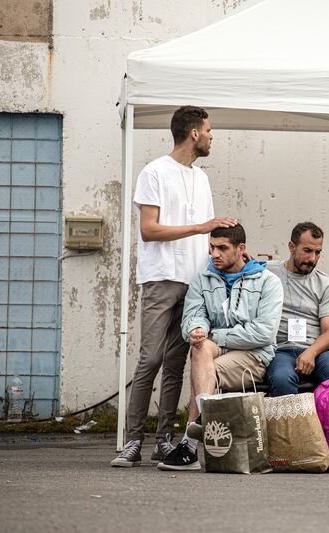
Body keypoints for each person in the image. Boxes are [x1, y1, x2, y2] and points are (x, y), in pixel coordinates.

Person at [111, 106, 237, 468]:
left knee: (176, 363)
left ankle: (163, 440)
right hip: (161, 277)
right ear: (194, 133)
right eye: (209, 130)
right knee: (150, 358)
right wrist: (200, 227)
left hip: (195, 282)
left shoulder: (202, 178)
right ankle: (133, 440)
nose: (213, 136)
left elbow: (210, 233)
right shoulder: (153, 172)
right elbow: (149, 230)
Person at [157, 224, 283, 471]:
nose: (215, 254)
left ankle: (189, 446)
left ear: (241, 249)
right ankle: (202, 419)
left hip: (253, 356)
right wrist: (196, 330)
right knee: (199, 349)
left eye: (222, 248)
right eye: (211, 248)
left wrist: (214, 334)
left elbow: (263, 333)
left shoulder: (268, 282)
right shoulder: (201, 279)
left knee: (202, 367)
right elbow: (193, 316)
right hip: (214, 351)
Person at [266, 222, 329, 395]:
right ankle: (292, 423)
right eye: (307, 251)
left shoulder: (325, 284)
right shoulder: (268, 273)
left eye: (317, 252)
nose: (313, 258)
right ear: (292, 247)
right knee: (282, 378)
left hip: (316, 350)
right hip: (279, 349)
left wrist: (311, 352)